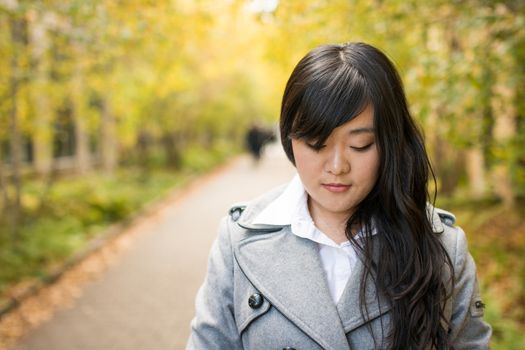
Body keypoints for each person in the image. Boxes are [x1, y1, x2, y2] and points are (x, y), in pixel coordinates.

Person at [187, 42, 491, 349]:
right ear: (289, 139)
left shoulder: (442, 247)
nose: (336, 167)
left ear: (391, 143)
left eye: (360, 145)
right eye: (317, 144)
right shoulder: (239, 239)